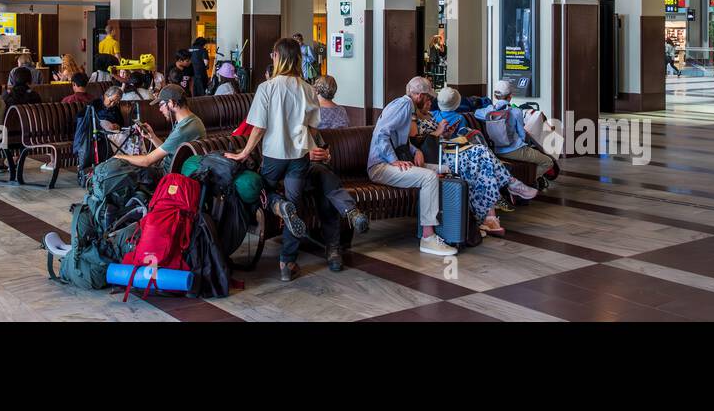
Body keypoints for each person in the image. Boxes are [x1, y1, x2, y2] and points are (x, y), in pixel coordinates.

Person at [228, 38, 369, 280]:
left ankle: (281, 208)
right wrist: (314, 144)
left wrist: (244, 153)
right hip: (299, 157)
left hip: (274, 155)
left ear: (277, 57)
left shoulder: (267, 88)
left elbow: (259, 127)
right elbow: (313, 128)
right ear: (299, 59)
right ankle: (287, 263)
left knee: (265, 190)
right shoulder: (307, 89)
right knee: (297, 203)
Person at [368, 77, 456, 256]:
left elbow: (400, 139)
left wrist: (415, 150)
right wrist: (393, 160)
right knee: (429, 176)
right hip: (380, 166)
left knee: (444, 170)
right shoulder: (405, 105)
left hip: (387, 163)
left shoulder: (404, 105)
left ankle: (452, 226)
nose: (429, 100)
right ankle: (428, 237)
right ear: (419, 95)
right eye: (427, 97)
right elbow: (381, 134)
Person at [433, 87, 537, 234]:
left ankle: (492, 216)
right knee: (482, 155)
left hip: (458, 156)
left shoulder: (433, 115)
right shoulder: (459, 118)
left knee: (484, 163)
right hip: (453, 156)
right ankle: (511, 184)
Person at [110, 85, 205, 177]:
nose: (160, 109)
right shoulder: (191, 121)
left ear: (171, 103)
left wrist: (118, 156)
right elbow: (167, 150)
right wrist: (152, 137)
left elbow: (147, 161)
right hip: (168, 171)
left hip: (167, 177)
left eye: (161, 104)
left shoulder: (183, 130)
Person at [483, 80, 557, 186]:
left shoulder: (487, 110)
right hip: (514, 150)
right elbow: (522, 134)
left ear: (495, 96)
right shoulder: (515, 112)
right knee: (548, 161)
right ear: (510, 96)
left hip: (494, 149)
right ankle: (523, 182)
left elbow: (477, 113)